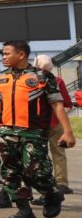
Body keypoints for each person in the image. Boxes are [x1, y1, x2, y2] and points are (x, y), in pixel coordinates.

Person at [0, 40, 76, 218]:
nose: (3, 57)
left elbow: (57, 104)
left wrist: (68, 131)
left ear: (21, 54)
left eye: (7, 53)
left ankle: (52, 194)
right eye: (2, 54)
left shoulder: (42, 77)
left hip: (34, 132)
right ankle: (25, 210)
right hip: (6, 132)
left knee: (38, 173)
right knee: (10, 174)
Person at [35, 55, 73, 196]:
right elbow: (66, 102)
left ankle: (41, 183)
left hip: (37, 123)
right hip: (56, 121)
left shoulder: (30, 80)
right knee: (59, 153)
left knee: (38, 154)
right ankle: (62, 183)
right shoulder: (58, 80)